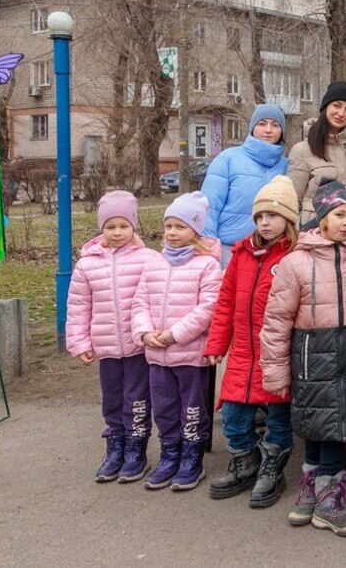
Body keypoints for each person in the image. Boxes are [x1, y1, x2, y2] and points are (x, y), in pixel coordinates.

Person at [259, 180, 346, 536]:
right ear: (322, 217)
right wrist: (276, 372)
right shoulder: (296, 263)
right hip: (311, 356)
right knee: (314, 421)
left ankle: (326, 495)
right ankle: (316, 490)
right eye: (339, 215)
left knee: (338, 424)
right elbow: (276, 322)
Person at [203, 176, 299, 507]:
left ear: (289, 220)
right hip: (243, 351)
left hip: (277, 355)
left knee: (277, 417)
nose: (265, 222)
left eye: (272, 216)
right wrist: (217, 344)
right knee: (233, 415)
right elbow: (225, 303)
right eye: (259, 216)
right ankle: (246, 461)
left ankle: (273, 466)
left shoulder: (293, 256)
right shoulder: (241, 253)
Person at [131, 193, 222, 491]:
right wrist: (145, 333)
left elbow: (207, 308)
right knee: (164, 408)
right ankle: (169, 455)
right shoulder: (154, 264)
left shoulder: (207, 266)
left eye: (179, 227)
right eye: (168, 226)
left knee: (192, 408)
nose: (172, 232)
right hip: (157, 355)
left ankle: (191, 459)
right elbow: (139, 302)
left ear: (196, 231)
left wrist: (175, 334)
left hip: (189, 354)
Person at [65, 191, 154, 484]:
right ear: (101, 227)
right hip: (106, 348)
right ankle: (115, 446)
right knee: (112, 399)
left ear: (134, 226)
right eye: (110, 226)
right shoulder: (87, 264)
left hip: (138, 347)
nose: (117, 232)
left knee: (137, 399)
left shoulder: (148, 260)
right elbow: (78, 307)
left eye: (123, 226)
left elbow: (157, 299)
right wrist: (79, 343)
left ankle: (136, 449)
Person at [202, 104, 289, 265]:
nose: (268, 130)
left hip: (272, 252)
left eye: (275, 125)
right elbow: (209, 206)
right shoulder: (228, 159)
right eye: (262, 124)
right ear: (252, 128)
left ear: (282, 131)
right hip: (230, 251)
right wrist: (209, 248)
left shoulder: (287, 166)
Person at [287, 81, 346, 225]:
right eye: (336, 106)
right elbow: (292, 202)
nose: (341, 113)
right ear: (325, 107)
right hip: (313, 231)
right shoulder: (302, 150)